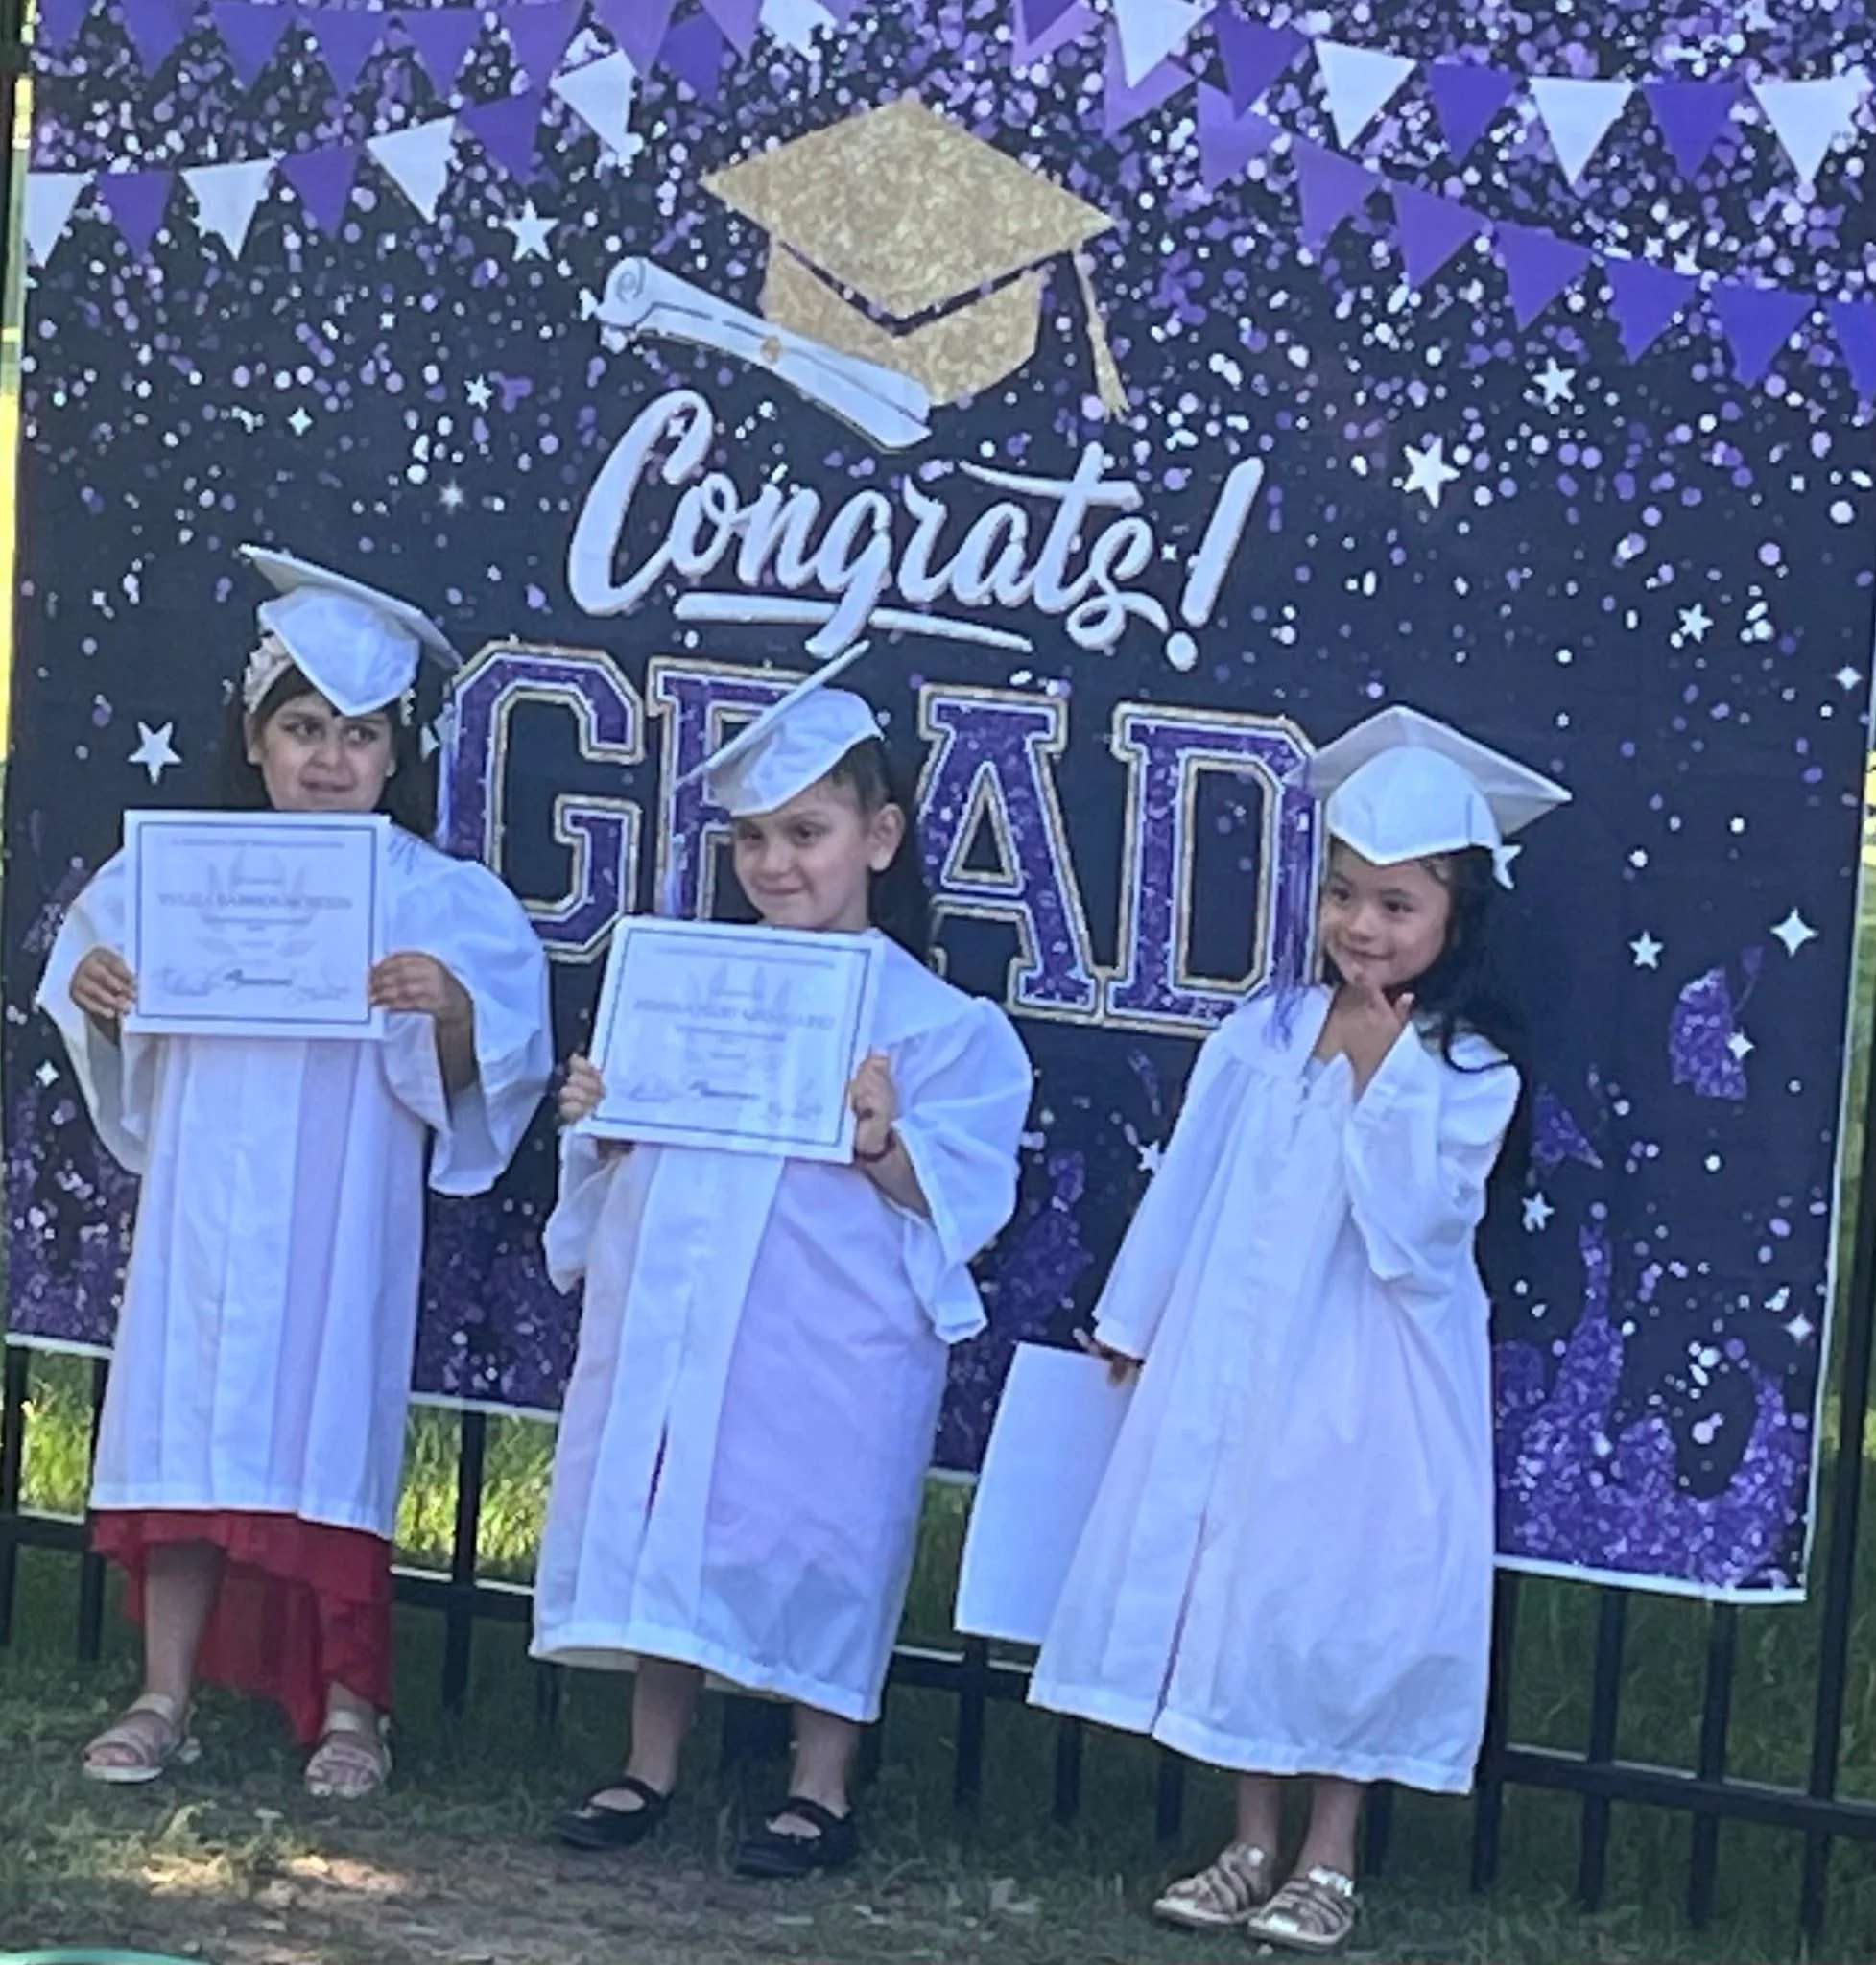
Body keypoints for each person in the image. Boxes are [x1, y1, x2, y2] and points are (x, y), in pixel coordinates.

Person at [1026, 706, 1569, 1955]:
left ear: (1451, 923)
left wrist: (1381, 1074)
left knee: (1341, 1588)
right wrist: (1134, 1316)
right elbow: (1190, 1185)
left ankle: (1330, 1853)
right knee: (1237, 1582)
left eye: (1393, 906)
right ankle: (1247, 1838)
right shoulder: (1260, 1033)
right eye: (1342, 896)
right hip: (1233, 1351)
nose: (1360, 928)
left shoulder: (1466, 1067)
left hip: (1367, 1372)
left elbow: (1417, 1232)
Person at [38, 549, 554, 1800]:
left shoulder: (441, 898)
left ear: (396, 753)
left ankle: (350, 1711)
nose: (330, 758)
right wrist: (102, 1001)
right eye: (303, 727)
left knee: (330, 1431)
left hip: (344, 1210)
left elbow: (496, 1060)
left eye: (360, 734)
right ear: (257, 740)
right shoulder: (178, 874)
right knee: (180, 1426)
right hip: (205, 1209)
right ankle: (163, 1693)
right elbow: (97, 1003)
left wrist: (445, 1009)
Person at [534, 660, 1033, 1877]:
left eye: (805, 832)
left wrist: (880, 1140)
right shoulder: (684, 987)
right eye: (753, 836)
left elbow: (962, 1193)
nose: (776, 862)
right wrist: (601, 1116)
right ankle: (648, 1759)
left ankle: (820, 1776)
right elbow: (615, 1171)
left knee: (820, 1523)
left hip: (828, 1324)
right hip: (683, 1294)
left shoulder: (935, 1021)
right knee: (667, 1495)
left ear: (878, 835)